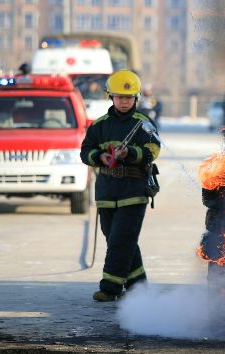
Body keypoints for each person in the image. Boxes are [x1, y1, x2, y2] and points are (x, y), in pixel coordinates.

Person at [80, 69, 161, 302]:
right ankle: (138, 286)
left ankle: (110, 288)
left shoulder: (143, 124)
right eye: (119, 97)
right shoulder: (99, 125)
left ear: (136, 98)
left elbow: (153, 150)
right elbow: (85, 151)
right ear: (111, 97)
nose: (124, 101)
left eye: (128, 97)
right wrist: (100, 157)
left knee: (121, 239)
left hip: (134, 191)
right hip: (106, 191)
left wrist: (131, 153)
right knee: (117, 238)